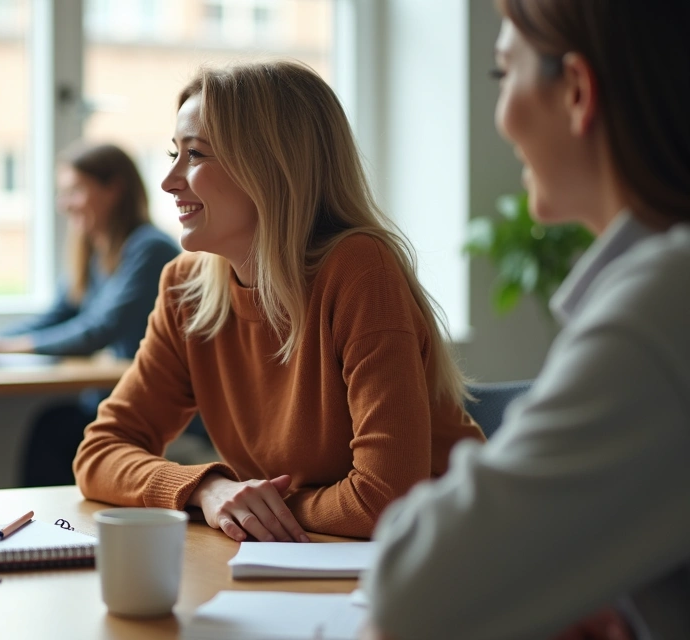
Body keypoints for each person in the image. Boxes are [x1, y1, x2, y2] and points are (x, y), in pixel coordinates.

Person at [362, 1, 690, 638]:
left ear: (576, 92)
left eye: (503, 72)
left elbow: (410, 590)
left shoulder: (659, 309)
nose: (501, 116)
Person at [73, 61, 484, 543]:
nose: (168, 181)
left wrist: (258, 506)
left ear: (269, 166)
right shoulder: (187, 289)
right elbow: (99, 452)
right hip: (322, 554)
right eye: (173, 153)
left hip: (453, 551)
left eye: (195, 154)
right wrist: (209, 489)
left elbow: (384, 500)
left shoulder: (358, 270)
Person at [0, 142, 180, 486]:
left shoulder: (150, 248)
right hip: (111, 400)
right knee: (52, 424)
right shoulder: (93, 252)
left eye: (75, 191)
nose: (64, 204)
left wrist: (3, 347)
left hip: (156, 410)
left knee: (55, 430)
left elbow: (97, 331)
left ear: (114, 189)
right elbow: (57, 316)